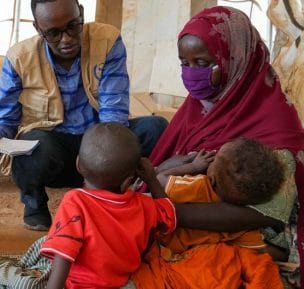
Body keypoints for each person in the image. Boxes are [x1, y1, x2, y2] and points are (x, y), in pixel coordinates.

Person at [0, 0, 168, 231]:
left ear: (82, 14)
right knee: (30, 145)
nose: (66, 39)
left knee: (155, 128)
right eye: (54, 33)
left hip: (101, 146)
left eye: (72, 26)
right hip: (56, 152)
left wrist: (102, 159)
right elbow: (6, 120)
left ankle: (129, 197)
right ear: (38, 29)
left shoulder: (107, 41)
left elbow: (114, 115)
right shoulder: (19, 58)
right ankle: (34, 202)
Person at [148, 5, 304, 286]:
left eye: (203, 63)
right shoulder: (200, 106)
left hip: (255, 233)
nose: (191, 74)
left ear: (236, 58)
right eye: (184, 63)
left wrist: (166, 212)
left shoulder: (276, 126)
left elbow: (267, 212)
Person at [132, 138, 286, 288]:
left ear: (211, 178)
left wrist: (192, 167)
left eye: (216, 157)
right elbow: (265, 250)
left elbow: (161, 179)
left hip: (154, 238)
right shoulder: (242, 227)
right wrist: (287, 253)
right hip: (177, 256)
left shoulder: (196, 186)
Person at [39, 123, 176, 289]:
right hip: (123, 284)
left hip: (78, 285)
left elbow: (64, 253)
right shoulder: (144, 205)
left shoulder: (75, 201)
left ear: (78, 165)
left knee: (44, 245)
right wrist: (151, 179)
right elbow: (169, 216)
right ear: (129, 180)